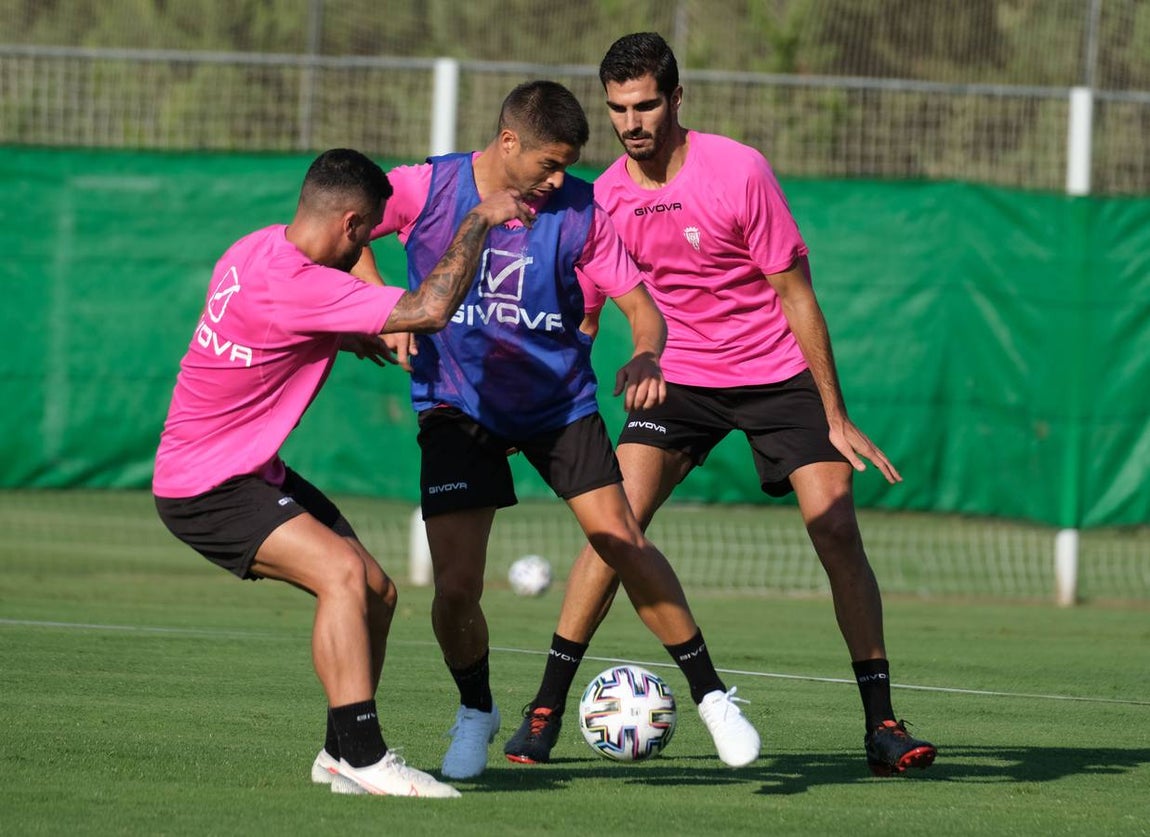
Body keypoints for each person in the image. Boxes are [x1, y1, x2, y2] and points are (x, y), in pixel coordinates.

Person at [502, 34, 937, 777]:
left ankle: (883, 723)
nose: (631, 122)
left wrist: (832, 413)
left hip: (776, 374)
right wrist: (540, 400)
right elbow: (586, 314)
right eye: (618, 109)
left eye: (644, 105)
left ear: (677, 98)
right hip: (676, 379)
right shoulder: (602, 195)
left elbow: (797, 296)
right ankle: (544, 706)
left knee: (835, 526)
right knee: (616, 526)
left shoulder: (739, 171)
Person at [353, 80, 761, 780]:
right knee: (455, 586)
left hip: (557, 403)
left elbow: (644, 309)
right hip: (458, 401)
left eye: (566, 165)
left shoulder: (580, 209)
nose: (557, 178)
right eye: (548, 163)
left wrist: (645, 351)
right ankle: (476, 710)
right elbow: (351, 223)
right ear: (508, 142)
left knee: (622, 538)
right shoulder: (429, 185)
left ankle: (713, 695)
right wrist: (377, 306)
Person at [153, 148, 536, 799]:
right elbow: (429, 308)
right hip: (206, 486)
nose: (367, 246)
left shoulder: (254, 249)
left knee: (377, 593)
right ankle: (365, 753)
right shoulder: (302, 285)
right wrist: (478, 221)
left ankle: (338, 754)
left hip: (242, 468)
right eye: (368, 235)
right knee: (344, 575)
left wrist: (342, 330)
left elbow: (283, 320)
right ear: (354, 225)